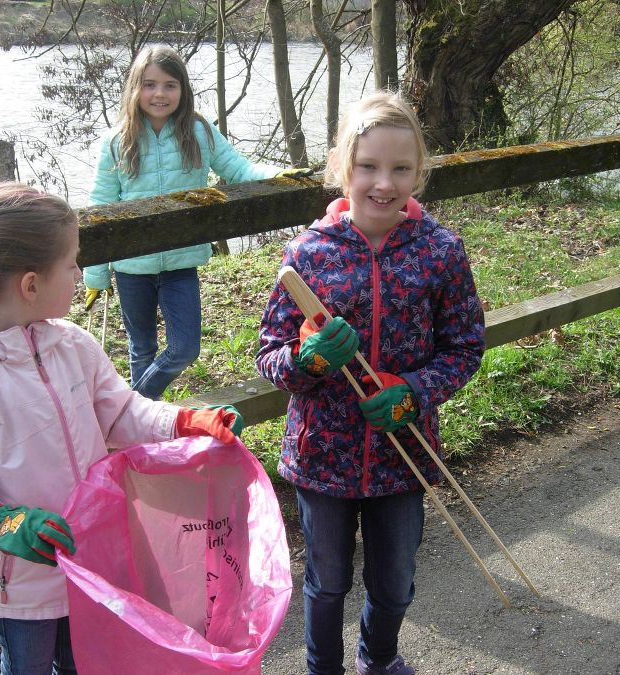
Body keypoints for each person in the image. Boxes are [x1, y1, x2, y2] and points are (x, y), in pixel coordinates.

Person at [0, 182, 244, 675]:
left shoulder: (73, 347)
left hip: (92, 562)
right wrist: (3, 524)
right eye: (71, 263)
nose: (80, 274)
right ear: (30, 285)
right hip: (19, 584)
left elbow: (122, 413)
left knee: (90, 662)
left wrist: (183, 422)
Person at [255, 92, 486, 675]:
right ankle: (321, 668)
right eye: (368, 167)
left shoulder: (442, 252)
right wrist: (307, 361)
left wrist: (413, 390)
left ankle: (378, 659)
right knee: (327, 580)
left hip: (404, 452)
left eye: (401, 169)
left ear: (420, 172)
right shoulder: (307, 254)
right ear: (343, 169)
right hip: (321, 456)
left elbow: (464, 349)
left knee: (395, 580)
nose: (384, 183)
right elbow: (268, 356)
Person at [84, 45, 311, 400]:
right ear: (134, 89)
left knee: (184, 348)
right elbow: (100, 208)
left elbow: (239, 170)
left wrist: (278, 173)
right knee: (140, 348)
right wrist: (95, 273)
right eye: (149, 84)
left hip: (181, 261)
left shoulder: (199, 131)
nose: (159, 93)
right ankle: (145, 433)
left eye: (170, 85)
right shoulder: (117, 141)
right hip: (131, 266)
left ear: (183, 89)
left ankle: (128, 413)